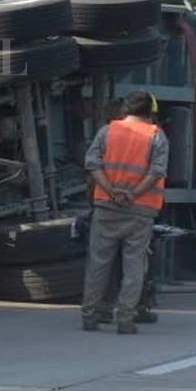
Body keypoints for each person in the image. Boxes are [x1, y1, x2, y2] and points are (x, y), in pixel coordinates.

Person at [80, 90, 167, 334]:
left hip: (107, 206)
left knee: (98, 262)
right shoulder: (156, 135)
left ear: (125, 109)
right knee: (134, 264)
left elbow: (92, 163)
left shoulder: (107, 131)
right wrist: (133, 194)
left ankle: (90, 315)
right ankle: (125, 318)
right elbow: (157, 171)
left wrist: (110, 190)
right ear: (150, 111)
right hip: (141, 208)